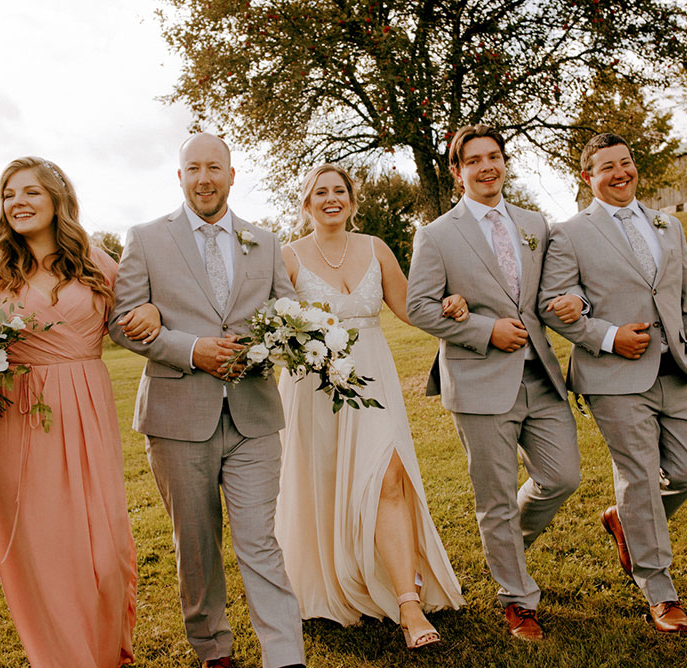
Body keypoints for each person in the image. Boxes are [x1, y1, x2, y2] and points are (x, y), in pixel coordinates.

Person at [109, 133, 306, 668]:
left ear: (231, 174)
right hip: (176, 416)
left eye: (214, 167)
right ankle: (213, 650)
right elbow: (123, 324)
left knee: (259, 541)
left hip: (254, 415)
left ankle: (285, 657)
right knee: (195, 547)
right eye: (193, 168)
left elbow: (290, 314)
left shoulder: (263, 240)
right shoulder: (146, 238)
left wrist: (263, 345)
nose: (204, 178)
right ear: (179, 177)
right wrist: (192, 349)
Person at [0, 157, 155, 666]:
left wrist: (151, 310)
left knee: (104, 554)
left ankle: (105, 649)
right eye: (8, 194)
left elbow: (139, 310)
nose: (17, 202)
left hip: (86, 411)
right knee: (41, 554)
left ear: (57, 200)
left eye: (30, 193)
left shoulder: (94, 262)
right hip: (17, 422)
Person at [275, 164, 466, 649]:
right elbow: (271, 326)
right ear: (306, 203)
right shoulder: (288, 257)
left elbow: (409, 307)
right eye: (321, 192)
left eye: (340, 190)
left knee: (388, 475)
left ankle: (407, 603)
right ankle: (340, 577)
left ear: (352, 200)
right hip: (314, 387)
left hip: (373, 379)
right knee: (328, 483)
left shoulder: (376, 248)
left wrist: (451, 305)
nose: (331, 198)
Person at [406, 124, 584, 641]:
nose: (487, 167)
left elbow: (558, 288)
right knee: (496, 498)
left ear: (504, 162)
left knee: (563, 477)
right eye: (474, 160)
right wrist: (484, 330)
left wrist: (579, 303)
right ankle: (517, 600)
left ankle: (505, 548)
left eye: (494, 157)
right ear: (457, 171)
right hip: (479, 381)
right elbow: (419, 306)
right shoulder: (436, 234)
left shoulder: (535, 224)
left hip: (541, 376)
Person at [539, 133, 687, 633]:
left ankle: (625, 521)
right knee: (639, 475)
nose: (620, 173)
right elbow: (555, 302)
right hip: (613, 377)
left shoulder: (668, 224)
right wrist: (610, 337)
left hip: (677, 370)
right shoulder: (569, 233)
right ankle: (660, 592)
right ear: (588, 177)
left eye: (626, 162)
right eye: (606, 167)